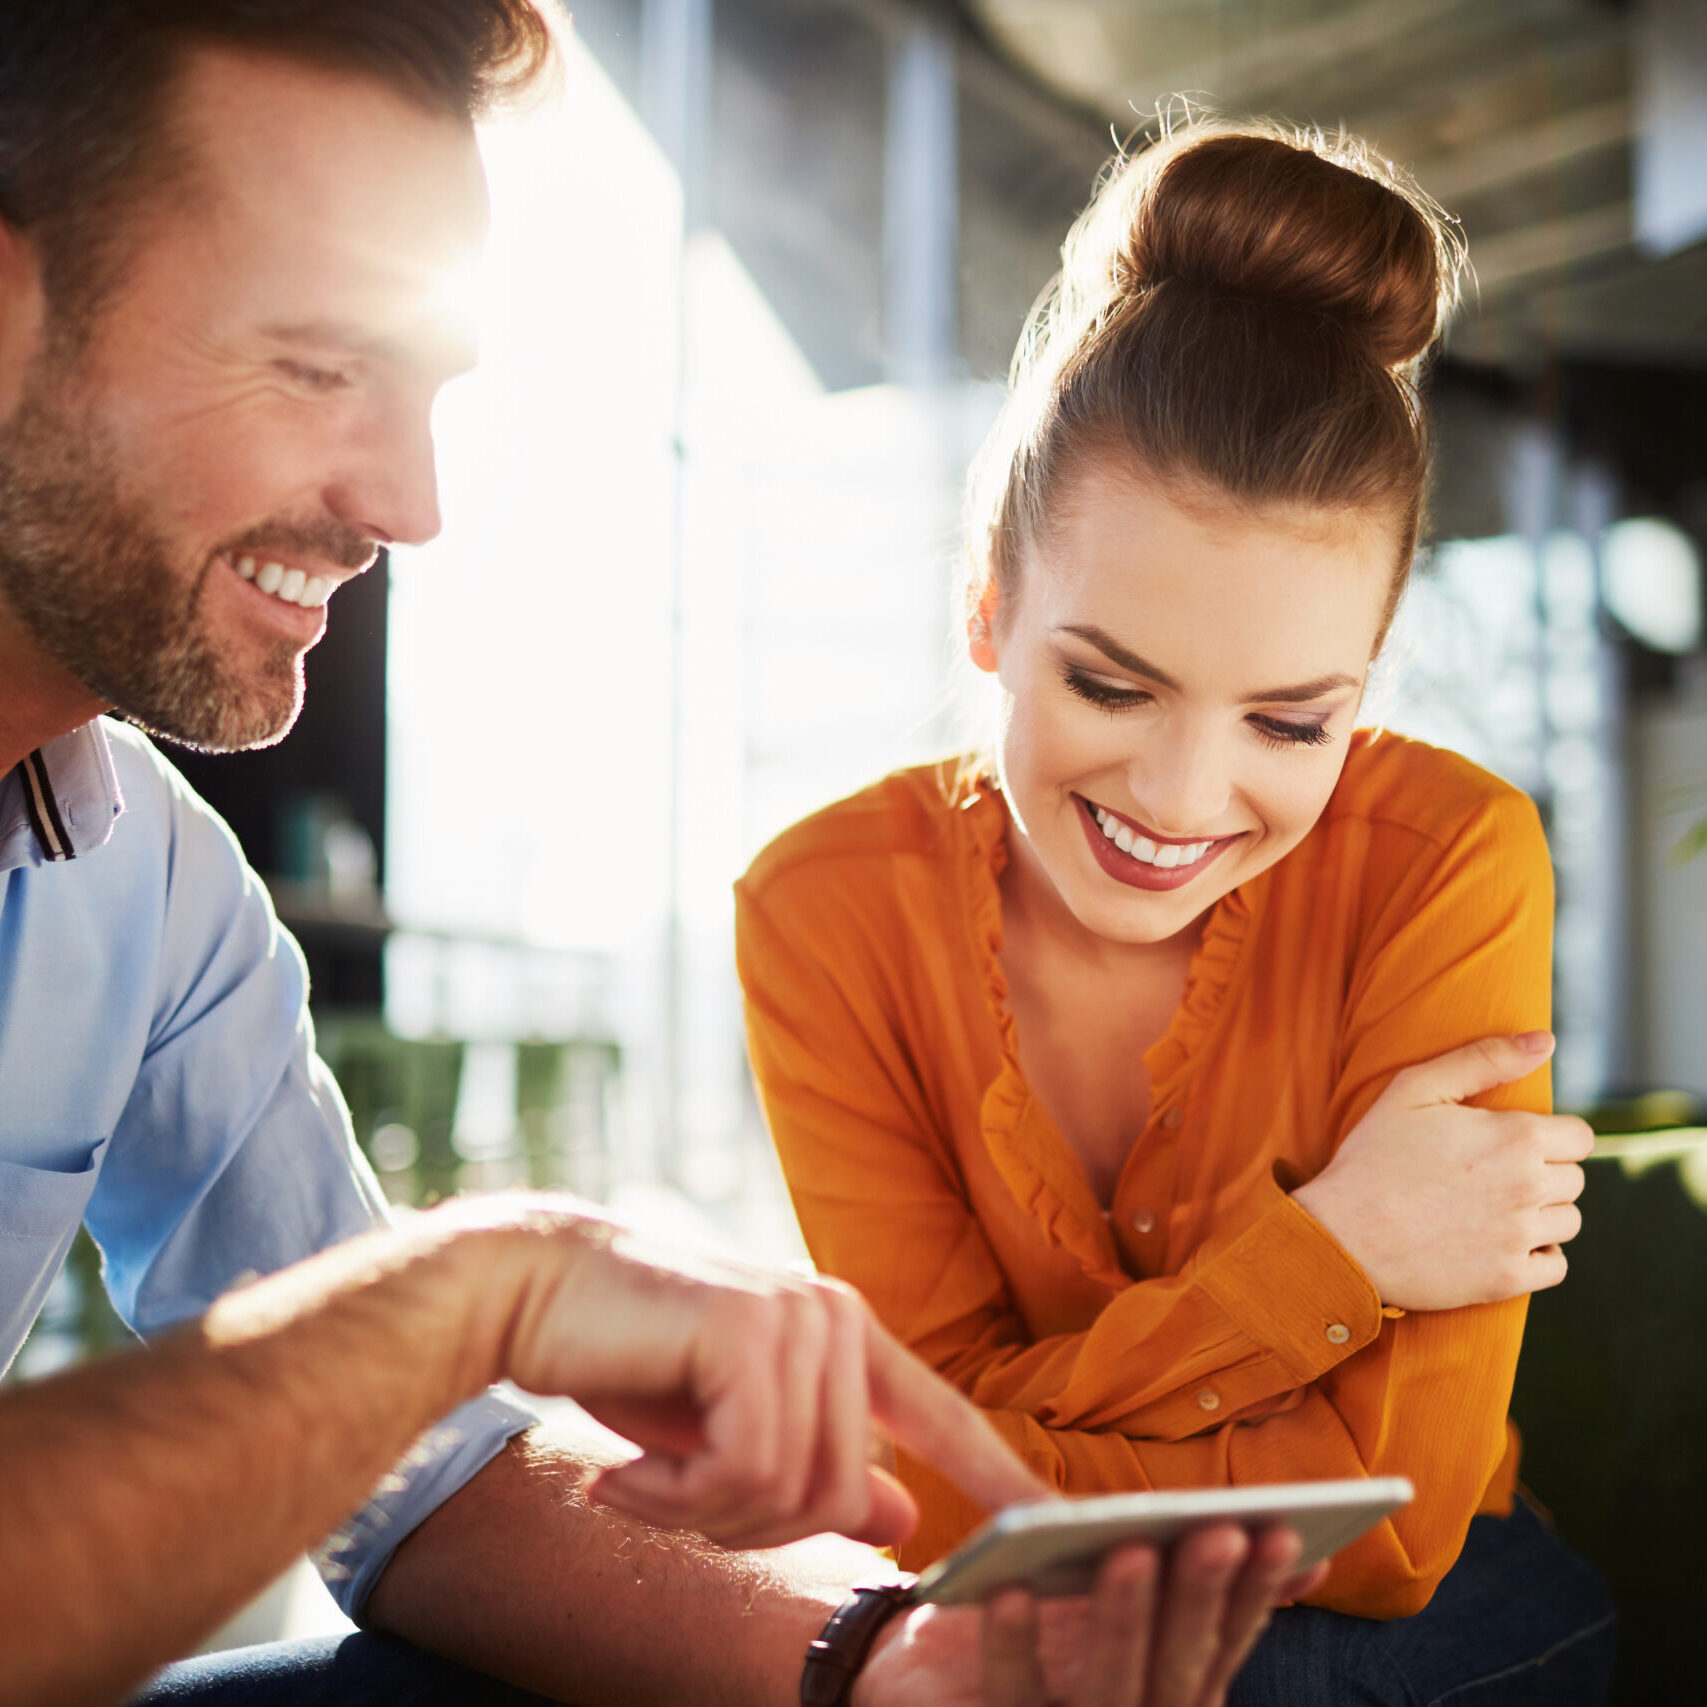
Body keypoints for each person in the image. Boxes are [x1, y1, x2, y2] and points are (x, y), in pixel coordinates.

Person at [0, 5, 1328, 1704]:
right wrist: (477, 1291)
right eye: (318, 366)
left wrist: (896, 1661)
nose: (411, 503)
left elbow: (418, 1472)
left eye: (422, 390)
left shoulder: (150, 889)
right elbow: (411, 1358)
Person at [736, 122, 1618, 1704]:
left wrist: (1012, 1451)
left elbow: (1394, 1528)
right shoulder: (819, 914)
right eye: (1110, 683)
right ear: (987, 608)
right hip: (1038, 1631)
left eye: (1292, 723)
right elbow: (917, 1469)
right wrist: (1332, 1256)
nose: (1184, 797)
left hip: (1433, 1631)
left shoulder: (1446, 860)